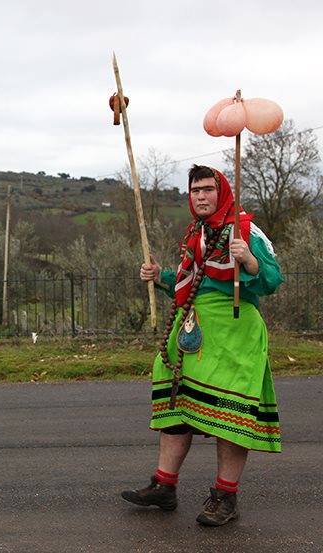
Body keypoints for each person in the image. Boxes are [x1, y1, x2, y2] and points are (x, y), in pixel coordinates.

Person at [121, 165, 283, 526]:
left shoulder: (245, 230)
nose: (201, 196)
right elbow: (192, 281)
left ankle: (225, 496)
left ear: (221, 191)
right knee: (175, 402)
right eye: (195, 191)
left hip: (234, 332)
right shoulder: (196, 232)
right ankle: (164, 486)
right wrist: (160, 276)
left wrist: (249, 260)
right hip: (192, 328)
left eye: (208, 189)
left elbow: (272, 279)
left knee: (230, 413)